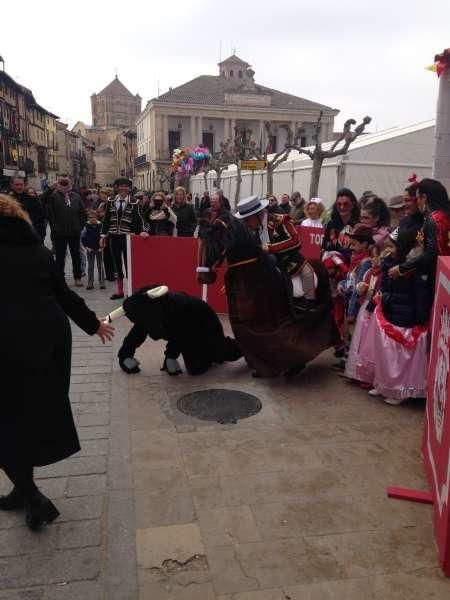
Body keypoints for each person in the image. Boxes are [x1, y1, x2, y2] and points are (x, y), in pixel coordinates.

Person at [0, 194, 114, 530]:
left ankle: (32, 496)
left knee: (7, 421)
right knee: (27, 415)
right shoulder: (39, 251)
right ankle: (23, 491)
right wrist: (94, 325)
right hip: (50, 340)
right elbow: (62, 293)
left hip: (9, 343)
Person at [365, 229, 430, 405]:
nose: (389, 250)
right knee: (386, 353)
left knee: (399, 357)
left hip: (406, 317)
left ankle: (398, 390)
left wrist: (421, 318)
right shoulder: (389, 264)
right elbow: (384, 286)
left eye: (393, 247)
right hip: (390, 311)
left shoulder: (414, 268)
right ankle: (383, 384)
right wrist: (374, 303)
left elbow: (421, 294)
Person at [117, 285, 242, 376]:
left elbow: (180, 333)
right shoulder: (148, 312)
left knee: (206, 362)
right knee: (195, 367)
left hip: (204, 323)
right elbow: (137, 333)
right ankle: (206, 354)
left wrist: (170, 356)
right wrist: (125, 356)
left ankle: (247, 346)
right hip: (186, 328)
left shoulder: (174, 308)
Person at [388, 178, 450, 294]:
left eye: (409, 200)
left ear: (423, 198)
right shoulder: (403, 222)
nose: (404, 206)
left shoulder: (431, 219)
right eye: (393, 210)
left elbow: (430, 252)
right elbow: (391, 241)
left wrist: (403, 268)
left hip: (433, 276)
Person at [101, 177, 148, 300]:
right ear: (117, 187)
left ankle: (130, 290)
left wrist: (143, 231)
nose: (123, 188)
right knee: (116, 264)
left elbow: (140, 218)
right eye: (121, 186)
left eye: (126, 186)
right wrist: (103, 235)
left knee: (129, 264)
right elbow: (106, 219)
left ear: (129, 188)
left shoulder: (135, 202)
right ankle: (120, 291)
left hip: (128, 237)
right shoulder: (111, 200)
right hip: (113, 237)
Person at [46, 176, 86, 286]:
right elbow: (49, 213)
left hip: (74, 231)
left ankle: (77, 277)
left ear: (70, 185)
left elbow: (82, 212)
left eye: (66, 183)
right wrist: (54, 227)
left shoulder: (76, 197)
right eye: (62, 183)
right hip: (59, 232)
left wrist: (80, 226)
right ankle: (59, 278)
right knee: (60, 256)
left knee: (76, 256)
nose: (64, 186)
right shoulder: (53, 196)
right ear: (58, 184)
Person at [322, 188, 360, 263]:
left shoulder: (359, 225)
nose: (342, 207)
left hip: (352, 264)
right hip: (331, 263)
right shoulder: (331, 223)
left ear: (353, 205)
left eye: (346, 204)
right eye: (339, 204)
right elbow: (324, 245)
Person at [9, 177, 47, 242]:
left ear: (24, 184)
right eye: (17, 185)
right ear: (12, 185)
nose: (19, 187)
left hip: (30, 236)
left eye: (21, 184)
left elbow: (41, 216)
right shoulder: (7, 199)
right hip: (12, 237)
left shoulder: (31, 199)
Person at [81, 209, 105, 290]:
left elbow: (103, 237)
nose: (92, 219)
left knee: (100, 266)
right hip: (90, 249)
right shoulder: (86, 226)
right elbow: (83, 237)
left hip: (99, 249)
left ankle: (101, 282)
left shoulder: (101, 225)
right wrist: (86, 247)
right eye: (90, 217)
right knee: (90, 266)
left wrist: (102, 247)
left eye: (93, 217)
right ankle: (90, 282)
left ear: (97, 217)